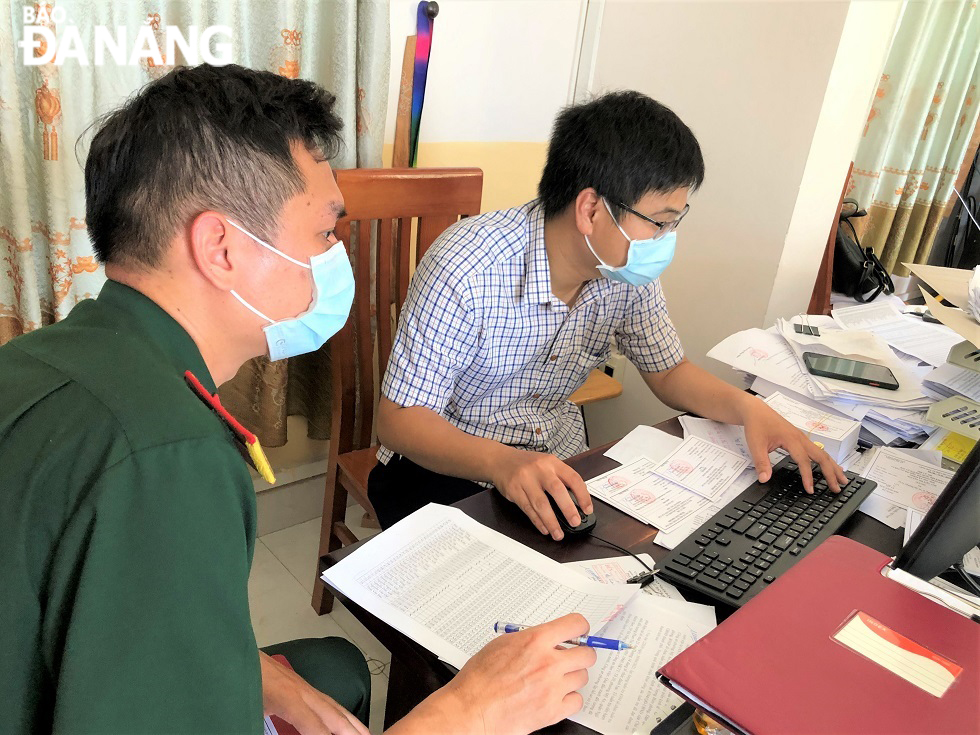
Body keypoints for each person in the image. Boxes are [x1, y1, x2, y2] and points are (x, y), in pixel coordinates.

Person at [0, 64, 594, 735]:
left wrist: (258, 671)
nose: (334, 255)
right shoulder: (170, 456)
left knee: (332, 668)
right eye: (324, 233)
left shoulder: (40, 359)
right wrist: (471, 710)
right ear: (221, 247)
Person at [370, 90, 849, 535]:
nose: (665, 240)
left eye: (675, 223)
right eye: (660, 222)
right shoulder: (469, 265)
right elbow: (400, 420)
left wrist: (751, 410)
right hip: (445, 463)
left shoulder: (622, 271)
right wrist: (503, 463)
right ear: (591, 210)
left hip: (555, 455)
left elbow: (669, 371)